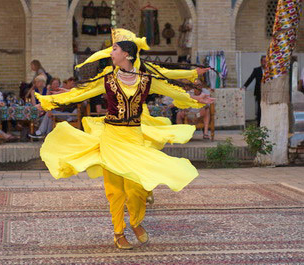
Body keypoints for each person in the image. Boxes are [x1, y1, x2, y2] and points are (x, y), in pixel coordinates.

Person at [35, 28, 213, 249]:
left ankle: (136, 221)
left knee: (136, 187)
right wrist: (50, 101)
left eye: (115, 49)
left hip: (134, 136)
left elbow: (173, 90)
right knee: (115, 189)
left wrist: (196, 99)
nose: (111, 53)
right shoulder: (107, 79)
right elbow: (81, 94)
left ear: (127, 54)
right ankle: (118, 232)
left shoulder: (147, 79)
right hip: (112, 136)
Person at [241, 55, 266, 126]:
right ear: (261, 62)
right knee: (259, 108)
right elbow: (250, 78)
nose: (265, 63)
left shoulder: (270, 70)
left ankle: (266, 123)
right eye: (263, 61)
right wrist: (244, 86)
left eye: (266, 62)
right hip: (259, 92)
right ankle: (259, 124)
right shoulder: (257, 70)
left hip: (268, 92)